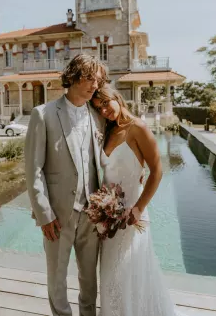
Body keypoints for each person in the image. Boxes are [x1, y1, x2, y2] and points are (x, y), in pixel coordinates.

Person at [91, 84, 185, 316]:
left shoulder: (138, 128)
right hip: (109, 217)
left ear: (116, 97)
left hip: (132, 214)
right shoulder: (108, 130)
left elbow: (157, 171)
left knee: (129, 272)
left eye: (105, 103)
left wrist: (139, 208)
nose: (104, 110)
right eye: (98, 108)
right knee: (110, 275)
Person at [24, 53, 107, 316]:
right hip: (58, 215)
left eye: (97, 80)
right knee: (57, 277)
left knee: (89, 279)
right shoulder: (43, 114)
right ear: (72, 76)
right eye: (89, 78)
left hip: (92, 212)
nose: (94, 85)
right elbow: (33, 169)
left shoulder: (98, 115)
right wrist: (44, 214)